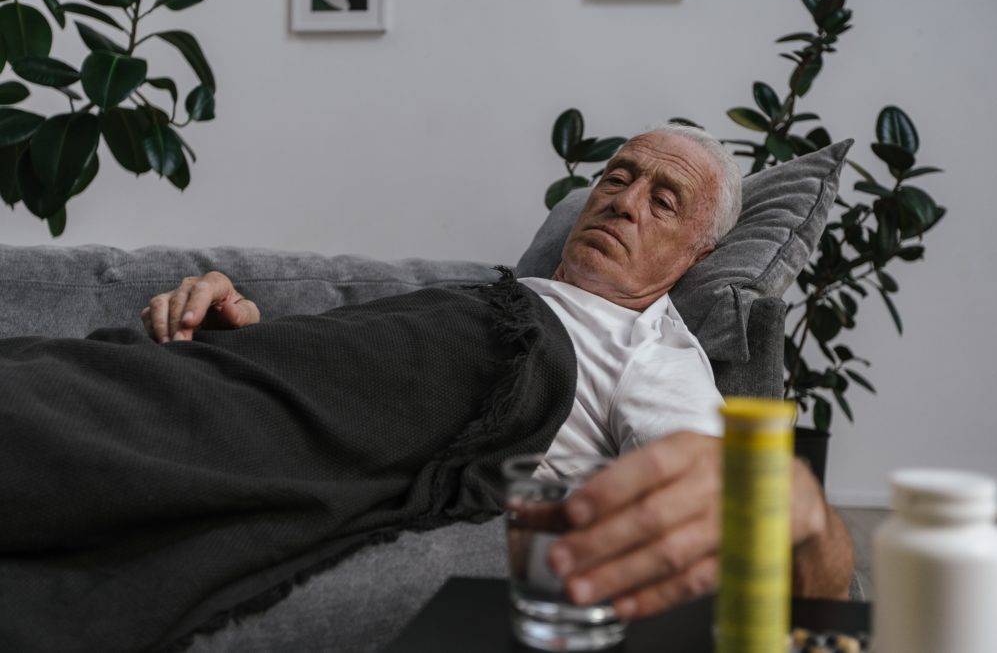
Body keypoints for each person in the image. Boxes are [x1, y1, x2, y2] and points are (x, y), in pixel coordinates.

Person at [140, 123, 854, 620]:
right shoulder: (509, 296)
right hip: (226, 383)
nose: (623, 201)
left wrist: (809, 521)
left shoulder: (649, 352)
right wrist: (244, 331)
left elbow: (745, 526)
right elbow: (372, 374)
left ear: (695, 257)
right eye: (618, 176)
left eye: (662, 201)